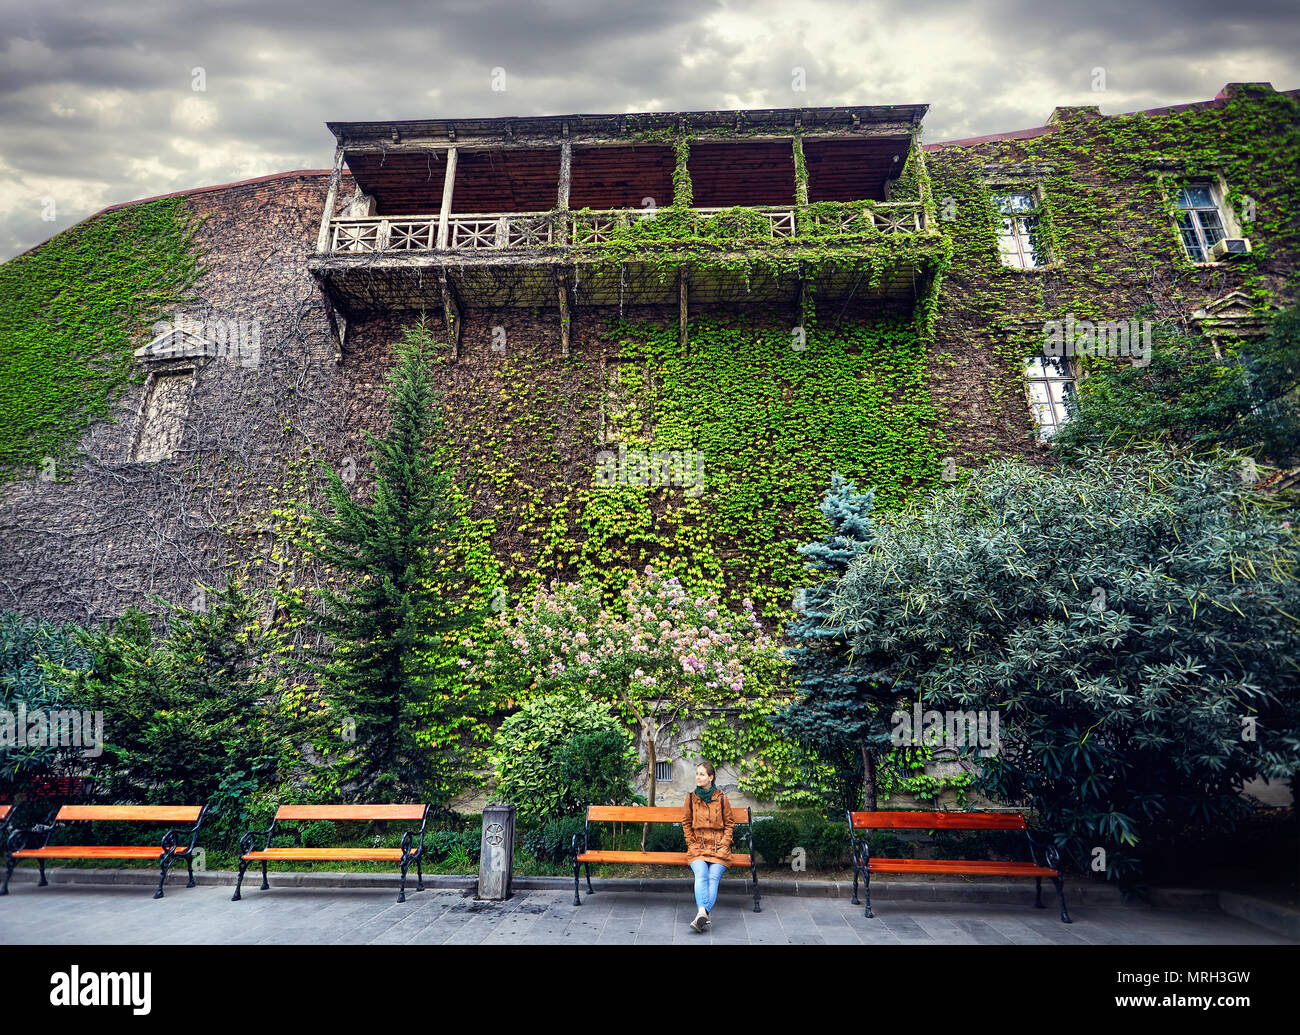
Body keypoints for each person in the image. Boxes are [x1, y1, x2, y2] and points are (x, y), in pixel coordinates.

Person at [682, 760, 734, 933]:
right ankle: (703, 914)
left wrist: (725, 844)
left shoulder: (721, 799)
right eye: (697, 774)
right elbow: (686, 823)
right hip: (697, 847)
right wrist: (691, 843)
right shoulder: (690, 798)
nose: (698, 777)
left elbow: (729, 824)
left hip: (719, 847)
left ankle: (701, 913)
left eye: (702, 774)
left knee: (713, 877)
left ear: (711, 777)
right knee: (702, 874)